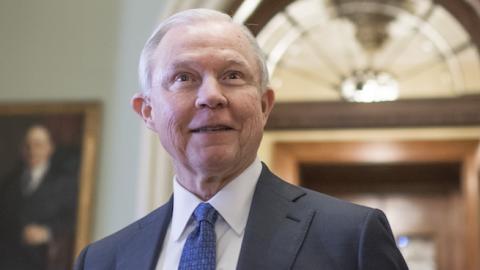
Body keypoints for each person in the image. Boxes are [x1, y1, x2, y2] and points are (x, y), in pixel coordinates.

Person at [74, 8, 408, 270]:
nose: (211, 96)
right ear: (147, 112)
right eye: (183, 77)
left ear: (264, 105)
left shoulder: (351, 238)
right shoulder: (102, 261)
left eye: (232, 75)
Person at [0, 125, 78, 270]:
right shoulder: (9, 183)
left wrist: (47, 232)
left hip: (44, 261)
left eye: (38, 145)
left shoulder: (64, 183)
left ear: (49, 148)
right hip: (7, 260)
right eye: (27, 146)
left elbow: (73, 219)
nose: (32, 151)